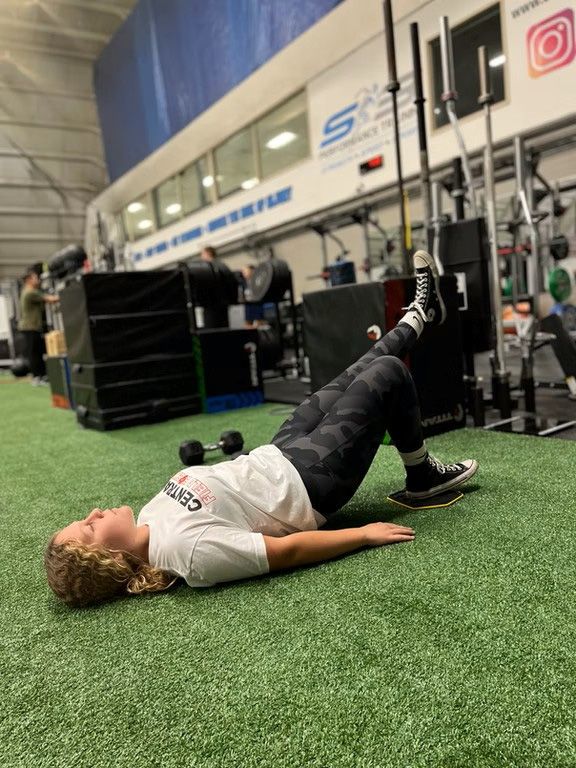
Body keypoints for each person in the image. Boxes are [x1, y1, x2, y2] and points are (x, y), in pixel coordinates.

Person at [45, 251, 478, 608]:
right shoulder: (186, 553)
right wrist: (362, 535)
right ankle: (422, 477)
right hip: (310, 485)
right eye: (89, 528)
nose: (93, 513)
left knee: (356, 371)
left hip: (279, 453)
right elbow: (285, 552)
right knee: (386, 373)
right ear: (111, 558)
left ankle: (419, 316)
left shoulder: (150, 518)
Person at [18, 268, 59, 385]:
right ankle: (37, 377)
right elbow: (51, 299)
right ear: (29, 280)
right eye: (35, 278)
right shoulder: (30, 292)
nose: (38, 280)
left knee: (39, 352)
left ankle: (42, 376)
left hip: (32, 326)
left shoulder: (29, 291)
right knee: (34, 353)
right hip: (30, 327)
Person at [199, 245, 230, 329]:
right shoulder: (222, 265)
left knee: (212, 331)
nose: (201, 257)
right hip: (223, 304)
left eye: (202, 254)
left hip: (211, 306)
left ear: (208, 253)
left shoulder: (206, 268)